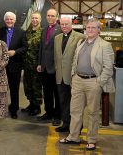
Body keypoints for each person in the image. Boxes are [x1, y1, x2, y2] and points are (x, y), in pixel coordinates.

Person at [60, 18, 115, 151]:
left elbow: (108, 67)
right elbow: (75, 60)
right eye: (88, 27)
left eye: (93, 27)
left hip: (93, 82)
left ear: (98, 30)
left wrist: (99, 82)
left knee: (92, 112)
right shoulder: (81, 42)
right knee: (75, 111)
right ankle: (73, 136)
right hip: (78, 80)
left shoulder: (105, 45)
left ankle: (91, 139)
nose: (90, 30)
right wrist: (73, 75)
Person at [54, 17, 85, 132]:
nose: (64, 26)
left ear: (71, 24)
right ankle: (66, 123)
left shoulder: (80, 37)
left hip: (74, 76)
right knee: (63, 101)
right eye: (62, 24)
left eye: (66, 24)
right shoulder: (57, 38)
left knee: (76, 103)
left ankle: (78, 126)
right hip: (60, 76)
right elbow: (56, 57)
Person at [0, 11, 27, 119]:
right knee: (0, 89)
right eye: (7, 19)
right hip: (1, 66)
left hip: (15, 65)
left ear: (14, 20)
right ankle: (0, 108)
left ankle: (14, 110)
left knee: (14, 89)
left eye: (11, 19)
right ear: (5, 20)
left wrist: (15, 52)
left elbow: (24, 47)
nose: (9, 21)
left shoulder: (21, 32)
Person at [37, 8, 61, 125]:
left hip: (55, 67)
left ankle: (57, 116)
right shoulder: (44, 29)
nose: (50, 18)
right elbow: (42, 48)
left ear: (57, 17)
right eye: (48, 15)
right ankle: (48, 113)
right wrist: (40, 63)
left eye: (52, 16)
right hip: (45, 67)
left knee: (57, 93)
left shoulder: (60, 29)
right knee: (47, 92)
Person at [21, 11, 43, 116]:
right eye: (33, 18)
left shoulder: (42, 32)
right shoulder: (27, 32)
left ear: (40, 20)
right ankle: (31, 104)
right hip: (27, 64)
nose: (34, 20)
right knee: (28, 85)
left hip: (36, 65)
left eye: (36, 18)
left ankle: (37, 107)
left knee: (36, 86)